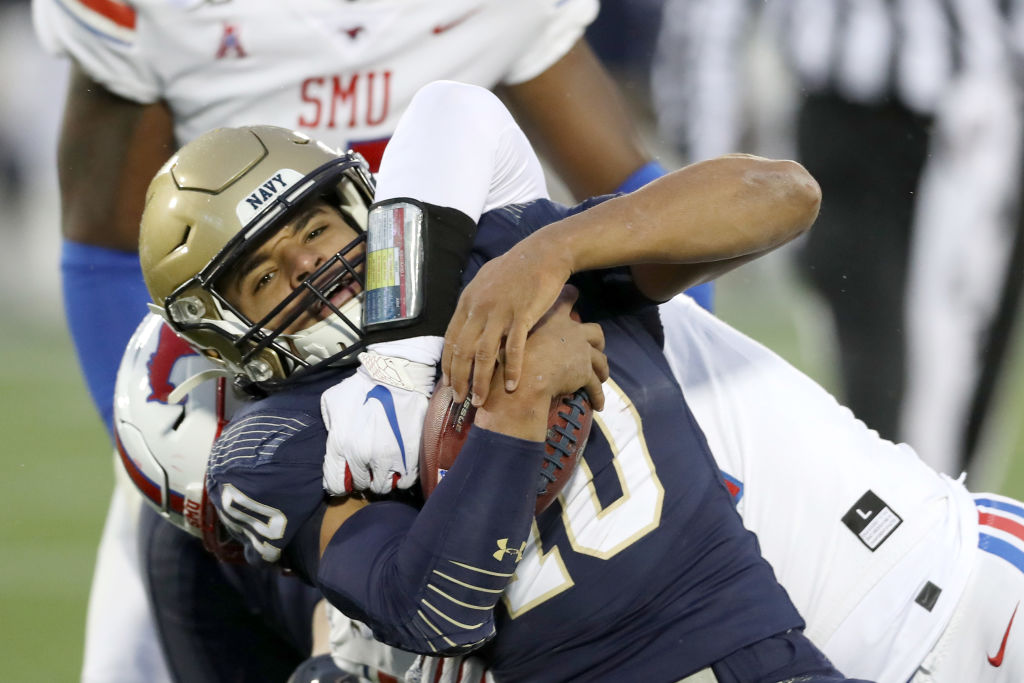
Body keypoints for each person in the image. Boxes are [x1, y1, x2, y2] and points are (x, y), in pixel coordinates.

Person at [32, 1, 710, 678]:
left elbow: (632, 187)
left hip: (461, 370)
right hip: (269, 389)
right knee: (161, 599)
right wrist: (165, 453)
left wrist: (665, 377)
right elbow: (103, 253)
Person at [135, 81, 853, 682]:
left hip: (771, 653)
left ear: (361, 207)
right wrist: (517, 403)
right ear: (227, 329)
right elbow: (434, 608)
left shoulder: (491, 255)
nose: (309, 271)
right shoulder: (276, 444)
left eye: (315, 231)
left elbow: (784, 195)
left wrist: (558, 247)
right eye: (265, 276)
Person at [650, 0, 1024, 477]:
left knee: (950, 378)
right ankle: (901, 529)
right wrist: (706, 165)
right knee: (877, 371)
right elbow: (708, 20)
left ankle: (940, 531)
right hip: (841, 118)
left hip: (973, 118)